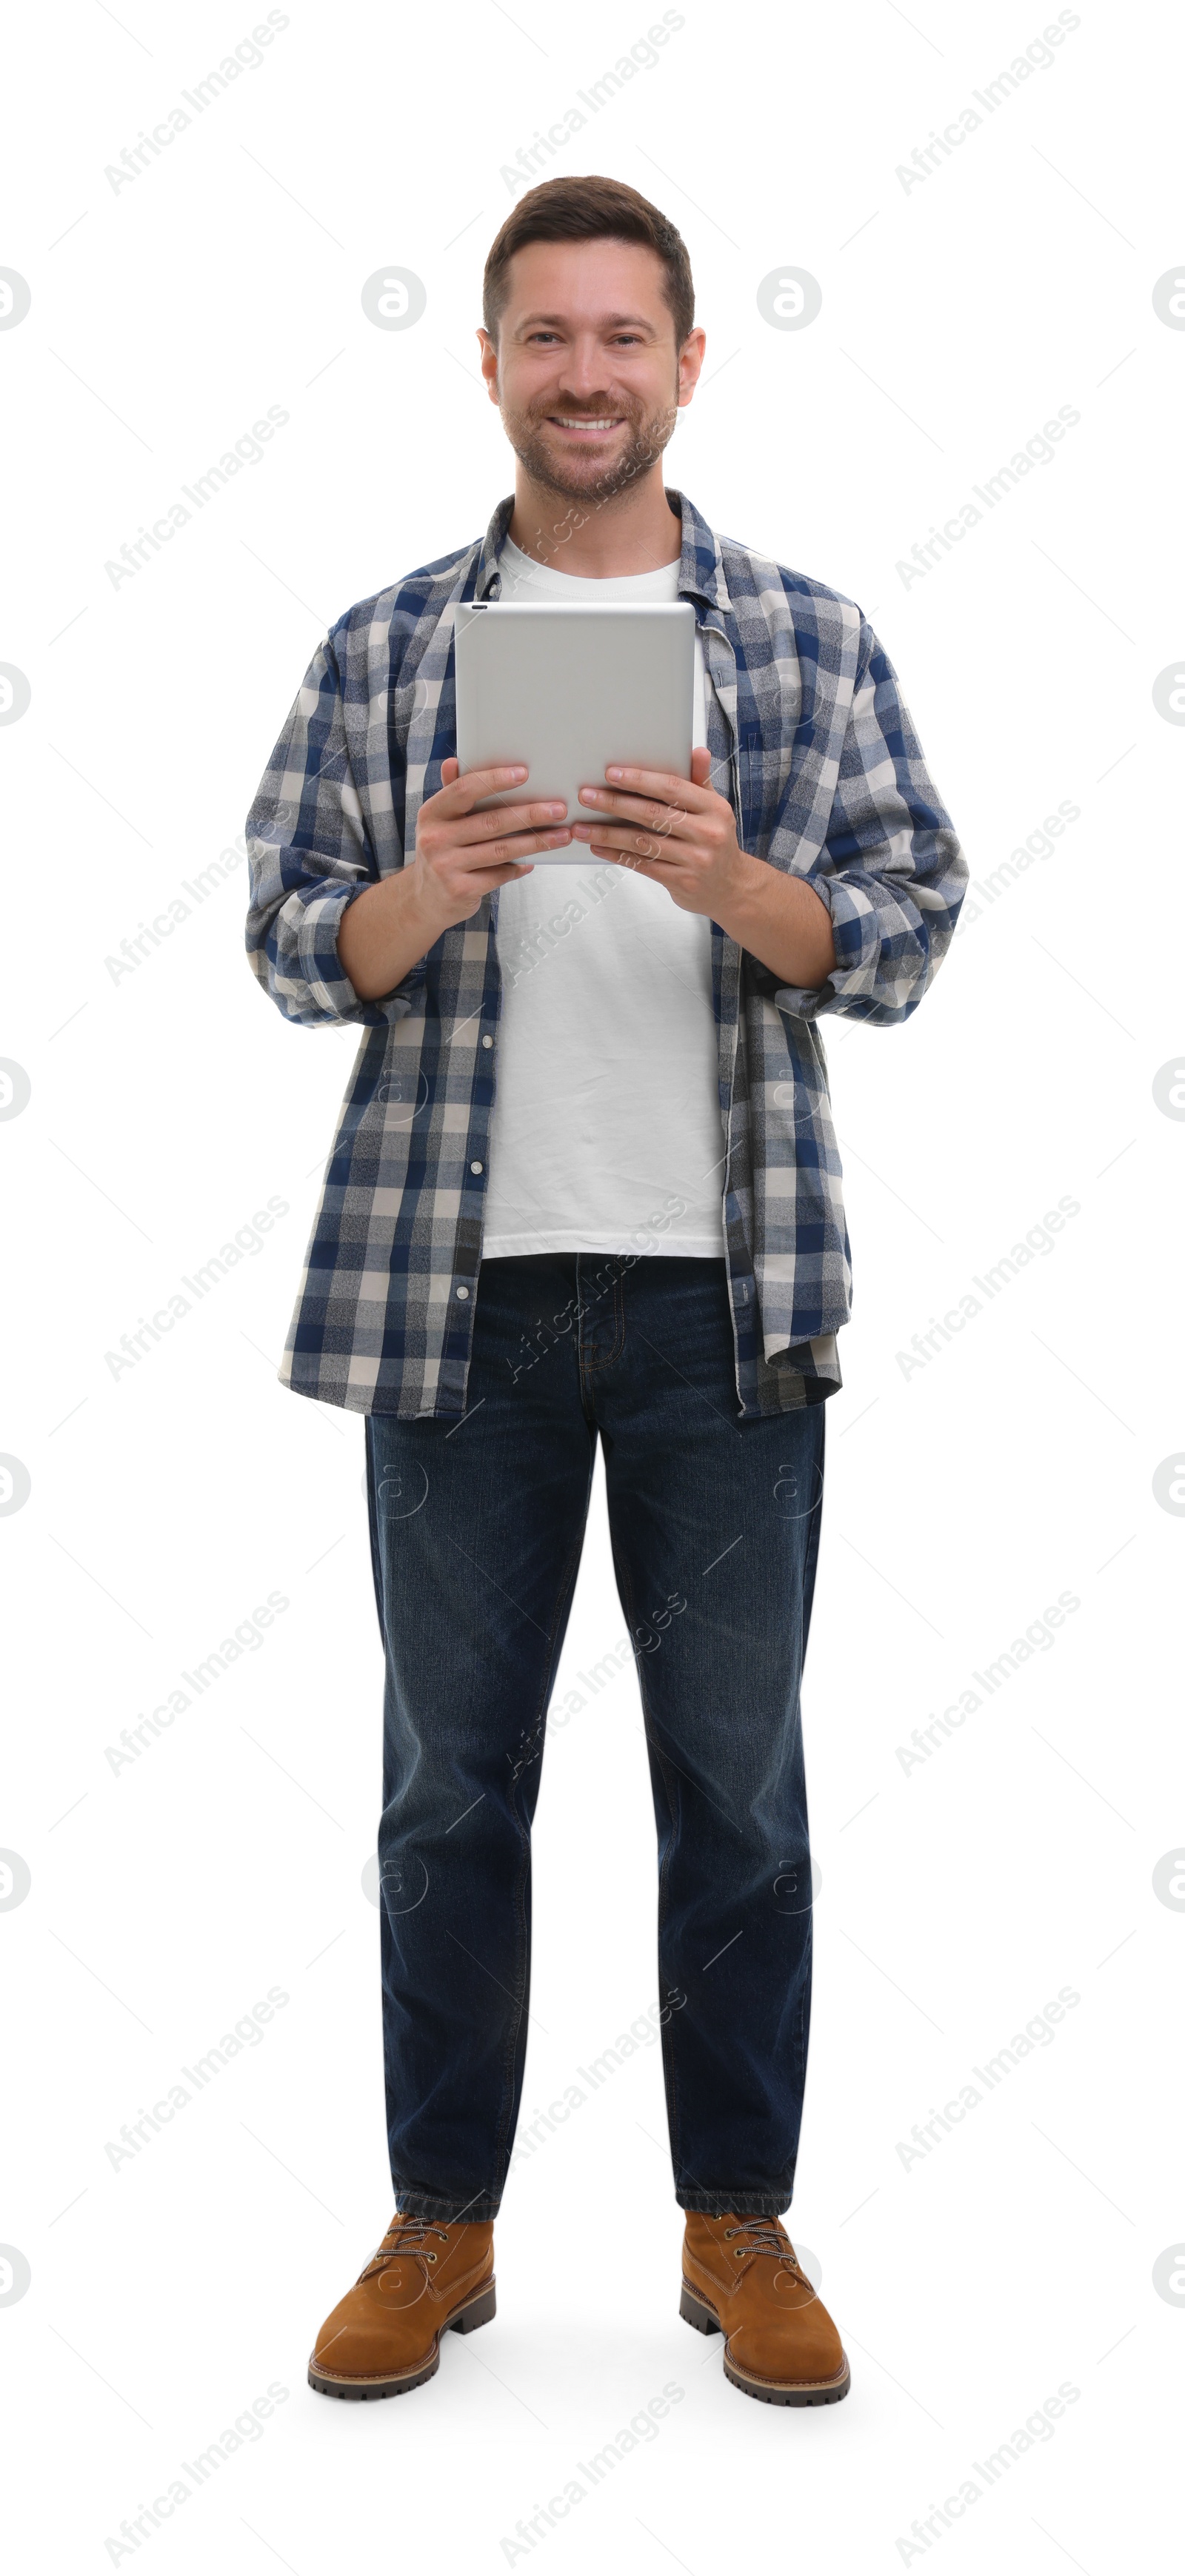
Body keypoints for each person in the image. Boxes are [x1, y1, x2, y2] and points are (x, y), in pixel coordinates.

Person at [245, 173, 967, 2409]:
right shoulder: (382, 649)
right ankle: (439, 2224)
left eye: (620, 337)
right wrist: (422, 891)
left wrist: (729, 874)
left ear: (683, 365)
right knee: (450, 1791)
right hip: (451, 1305)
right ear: (489, 364)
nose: (583, 375)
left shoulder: (813, 640)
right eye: (543, 337)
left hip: (721, 1306)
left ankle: (732, 2224)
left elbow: (912, 924)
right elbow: (290, 944)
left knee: (735, 1787)